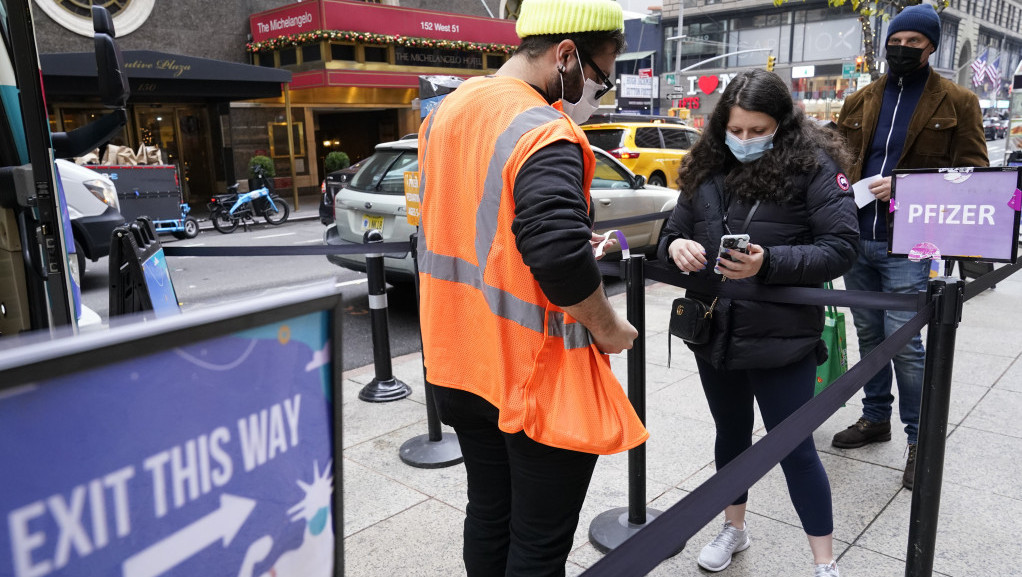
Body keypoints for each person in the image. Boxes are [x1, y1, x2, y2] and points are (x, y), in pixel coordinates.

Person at [414, 0, 648, 575]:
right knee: (539, 547)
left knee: (489, 514)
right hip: (533, 374)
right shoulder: (543, 129)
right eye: (601, 74)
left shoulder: (448, 110)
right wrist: (610, 327)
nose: (599, 89)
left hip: (459, 362)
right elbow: (557, 253)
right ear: (566, 54)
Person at [658, 68, 858, 577]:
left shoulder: (814, 166)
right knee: (731, 436)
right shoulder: (705, 168)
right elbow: (671, 234)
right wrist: (673, 245)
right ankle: (734, 528)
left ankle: (824, 562)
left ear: (781, 125)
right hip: (715, 333)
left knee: (793, 448)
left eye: (758, 130)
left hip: (781, 338)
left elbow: (840, 248)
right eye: (736, 129)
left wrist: (767, 262)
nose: (744, 140)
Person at [831, 3, 988, 490]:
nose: (899, 50)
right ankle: (875, 417)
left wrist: (906, 187)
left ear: (930, 47)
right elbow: (835, 161)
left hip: (912, 243)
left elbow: (975, 176)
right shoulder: (860, 100)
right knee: (869, 336)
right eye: (894, 42)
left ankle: (921, 440)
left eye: (912, 44)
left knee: (908, 347)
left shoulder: (957, 102)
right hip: (857, 236)